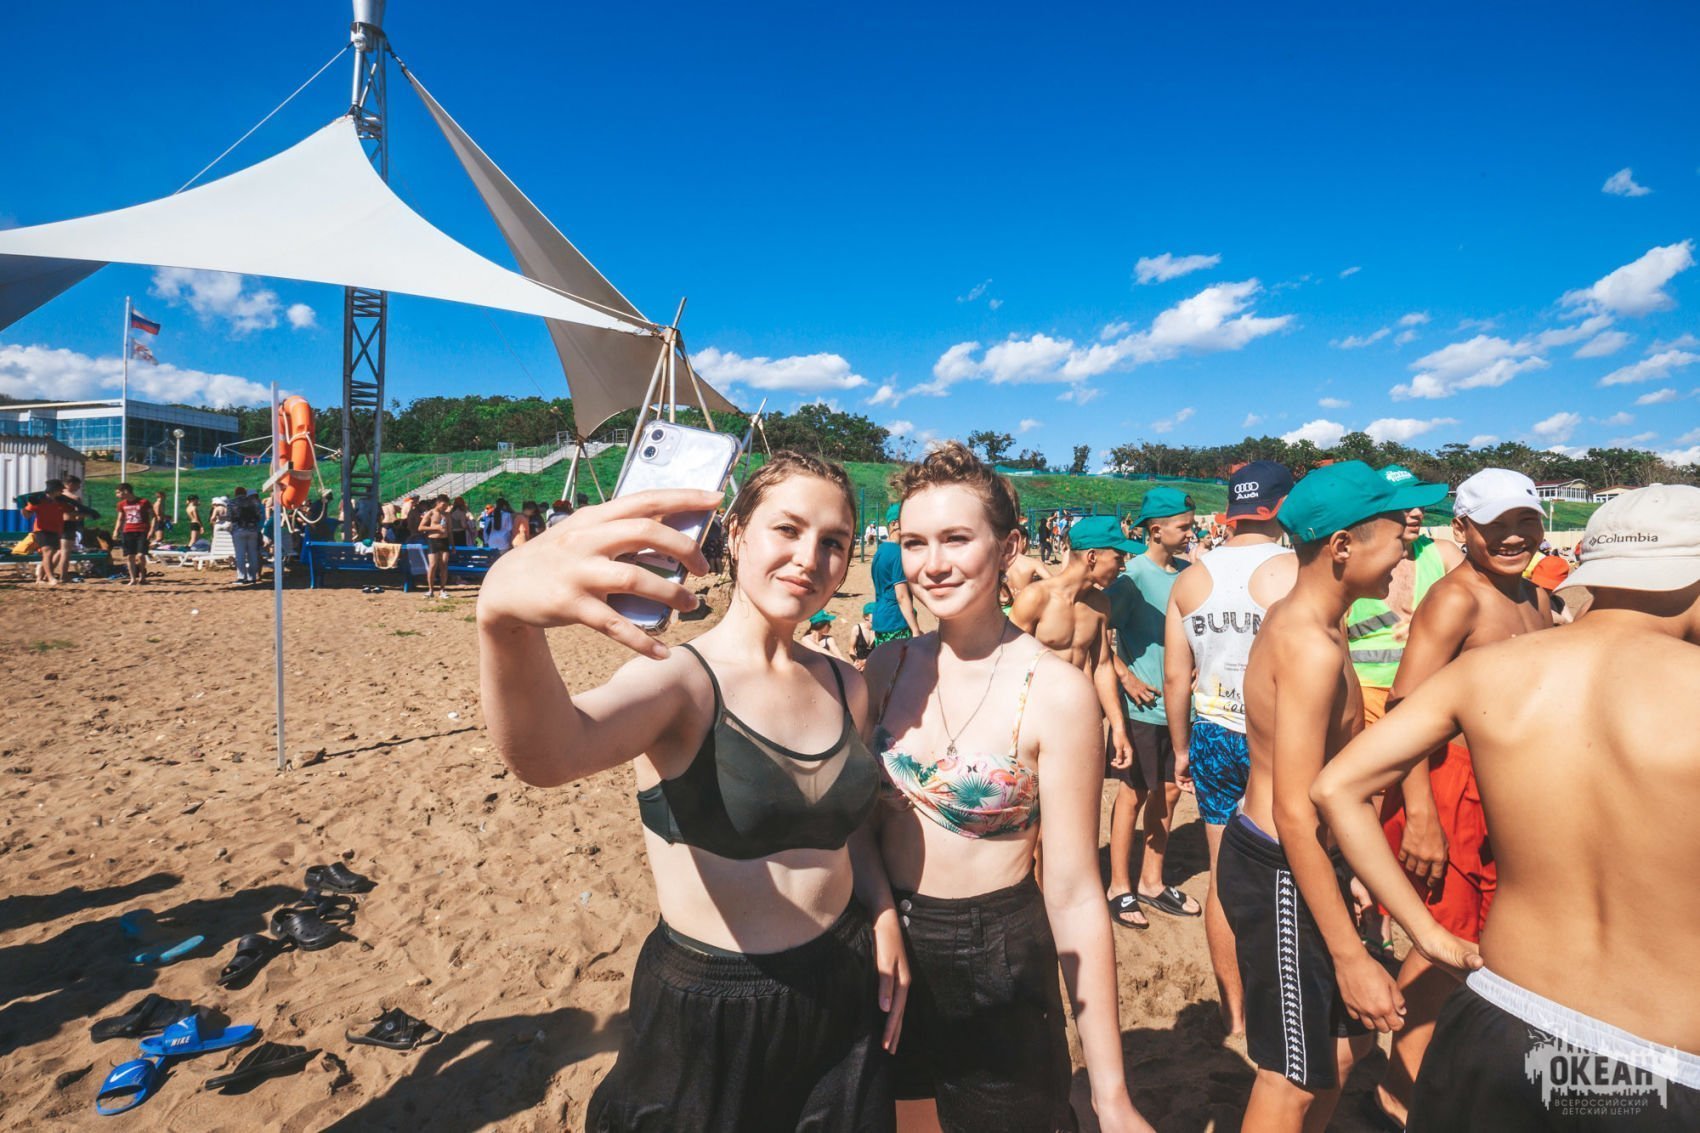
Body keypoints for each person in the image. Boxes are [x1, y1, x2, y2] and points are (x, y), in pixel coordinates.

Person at [478, 452, 902, 1132]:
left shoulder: (845, 682)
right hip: (714, 1005)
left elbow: (845, 829)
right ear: (736, 534)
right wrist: (504, 620)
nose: (808, 558)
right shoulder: (679, 680)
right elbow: (550, 753)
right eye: (787, 529)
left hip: (844, 985)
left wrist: (881, 912)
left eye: (833, 542)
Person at [1313, 484, 1700, 1132]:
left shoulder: (1493, 669)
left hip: (1499, 1015)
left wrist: (1426, 933)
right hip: (1658, 1059)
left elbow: (1335, 787)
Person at [868, 442, 1152, 1133]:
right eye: (914, 542)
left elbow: (1075, 890)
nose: (933, 563)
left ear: (1010, 547)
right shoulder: (883, 668)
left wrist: (1110, 1093)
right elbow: (852, 831)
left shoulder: (1055, 690)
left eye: (956, 538)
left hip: (993, 952)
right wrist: (879, 912)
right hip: (882, 948)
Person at [1226, 460, 1445, 1132]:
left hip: (1307, 860)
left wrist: (1346, 867)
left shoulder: (1325, 620)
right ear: (1343, 545)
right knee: (1293, 1077)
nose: (1407, 548)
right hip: (1280, 867)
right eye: (1397, 535)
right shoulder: (1309, 646)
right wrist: (1349, 954)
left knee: (1349, 1049)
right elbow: (1294, 809)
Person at [1366, 466, 1554, 1126]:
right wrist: (1420, 813)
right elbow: (1405, 708)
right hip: (1448, 790)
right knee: (1439, 948)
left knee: (1483, 947)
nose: (1513, 536)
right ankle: (1399, 1094)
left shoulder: (1535, 595)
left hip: (1503, 793)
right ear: (1463, 528)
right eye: (1496, 525)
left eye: (1525, 521)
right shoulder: (1457, 599)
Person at [1162, 460, 1297, 1029]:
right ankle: (1282, 1007)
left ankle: (1235, 1014)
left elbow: (1176, 677)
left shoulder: (1191, 578)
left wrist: (1180, 749)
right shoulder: (1294, 571)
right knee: (1291, 872)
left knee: (1223, 875)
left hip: (1212, 728)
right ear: (1281, 506)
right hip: (1279, 734)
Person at [1103, 487, 1200, 929]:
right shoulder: (1133, 578)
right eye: (1184, 526)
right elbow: (1096, 634)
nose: (1191, 532)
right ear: (1156, 530)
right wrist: (1125, 676)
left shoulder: (1190, 574)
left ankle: (1152, 881)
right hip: (1143, 708)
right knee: (1134, 794)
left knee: (1172, 791)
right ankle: (1119, 886)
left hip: (1182, 708)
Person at [1008, 513, 1135, 792]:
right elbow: (1007, 664)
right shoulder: (1036, 598)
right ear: (1092, 557)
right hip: (1035, 719)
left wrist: (1118, 727)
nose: (1123, 565)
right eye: (1118, 557)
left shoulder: (1100, 605)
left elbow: (1102, 666)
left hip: (1077, 717)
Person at [1347, 465, 1465, 725]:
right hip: (1363, 695)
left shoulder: (1443, 553)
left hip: (1429, 691)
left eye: (1419, 505)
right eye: (1404, 506)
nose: (1417, 513)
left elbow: (1478, 608)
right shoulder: (1350, 560)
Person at [870, 504, 919, 645]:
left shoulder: (880, 551)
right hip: (896, 621)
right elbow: (901, 596)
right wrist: (915, 630)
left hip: (880, 620)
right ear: (894, 524)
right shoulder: (897, 553)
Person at [22, 479, 71, 585]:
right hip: (42, 530)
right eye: (60, 489)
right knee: (48, 552)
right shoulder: (39, 500)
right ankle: (51, 578)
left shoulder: (60, 502)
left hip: (55, 530)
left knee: (51, 554)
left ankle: (39, 578)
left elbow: (71, 511)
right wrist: (22, 507)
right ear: (54, 489)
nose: (62, 491)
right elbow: (27, 515)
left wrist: (87, 513)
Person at [111, 483, 154, 585]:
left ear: (126, 491)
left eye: (118, 492)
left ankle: (142, 576)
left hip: (142, 530)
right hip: (128, 531)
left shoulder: (144, 502)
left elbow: (153, 516)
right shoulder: (121, 504)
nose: (117, 495)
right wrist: (116, 530)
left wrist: (152, 530)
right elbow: (120, 518)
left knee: (141, 555)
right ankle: (133, 578)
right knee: (130, 556)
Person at [416, 495, 452, 598]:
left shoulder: (447, 515)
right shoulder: (431, 513)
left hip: (444, 541)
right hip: (433, 540)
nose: (445, 507)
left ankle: (442, 590)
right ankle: (430, 590)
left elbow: (450, 531)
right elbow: (421, 527)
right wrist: (436, 528)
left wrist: (453, 545)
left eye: (446, 505)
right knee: (433, 565)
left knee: (444, 564)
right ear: (438, 503)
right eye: (443, 505)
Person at [1003, 525, 1051, 601]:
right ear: (1024, 541)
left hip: (1003, 607)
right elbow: (1054, 584)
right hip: (1026, 605)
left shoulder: (999, 564)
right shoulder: (1033, 563)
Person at [228, 486, 264, 585]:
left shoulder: (232, 502)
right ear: (245, 493)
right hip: (253, 530)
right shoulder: (254, 502)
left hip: (238, 530)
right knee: (253, 554)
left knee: (240, 554)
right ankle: (252, 577)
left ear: (236, 493)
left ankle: (241, 577)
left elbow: (230, 517)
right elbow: (259, 516)